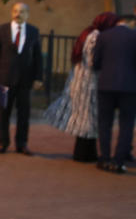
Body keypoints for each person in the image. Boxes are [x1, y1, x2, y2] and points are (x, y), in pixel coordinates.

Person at [44, 12, 118, 162]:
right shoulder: (96, 36)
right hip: (88, 82)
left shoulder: (88, 33)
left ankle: (84, 153)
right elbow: (92, 60)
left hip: (80, 80)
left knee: (84, 118)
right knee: (88, 118)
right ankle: (85, 154)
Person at [0, 2, 43, 155]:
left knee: (24, 114)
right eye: (15, 11)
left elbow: (38, 56)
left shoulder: (33, 31)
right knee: (3, 113)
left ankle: (22, 144)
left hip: (25, 80)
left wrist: (38, 77)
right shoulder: (1, 30)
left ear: (27, 14)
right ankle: (2, 143)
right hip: (3, 79)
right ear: (12, 13)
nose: (18, 14)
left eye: (22, 11)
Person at [93, 14, 136, 173]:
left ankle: (104, 158)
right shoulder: (134, 36)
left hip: (106, 85)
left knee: (104, 123)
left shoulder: (104, 36)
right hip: (129, 87)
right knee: (127, 124)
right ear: (131, 22)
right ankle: (118, 160)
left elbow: (95, 62)